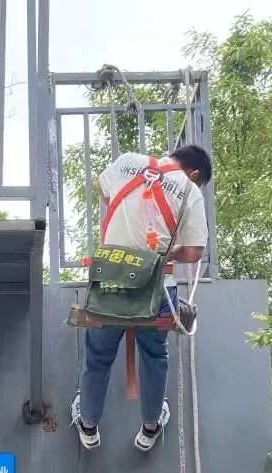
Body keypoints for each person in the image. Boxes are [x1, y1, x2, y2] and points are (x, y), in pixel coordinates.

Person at [71, 144, 212, 452]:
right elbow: (194, 252)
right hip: (159, 288)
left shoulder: (128, 163)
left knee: (98, 356)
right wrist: (164, 252)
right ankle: (149, 428)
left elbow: (102, 188)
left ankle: (89, 425)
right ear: (195, 173)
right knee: (154, 355)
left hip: (110, 279)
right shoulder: (190, 191)